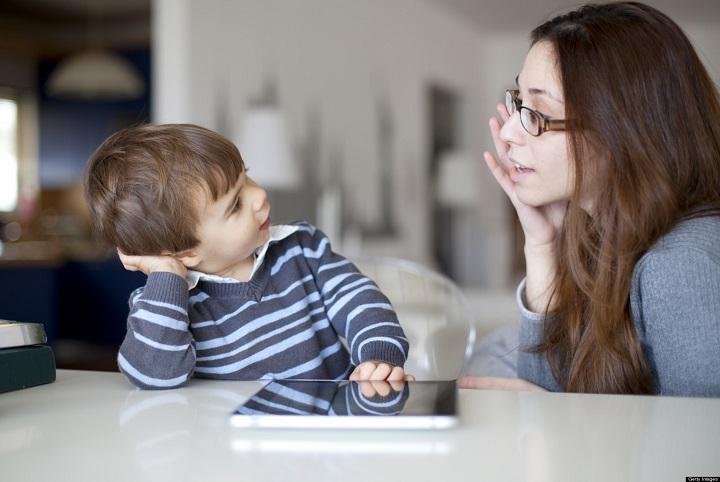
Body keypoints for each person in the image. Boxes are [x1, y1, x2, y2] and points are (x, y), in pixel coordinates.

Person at [462, 2, 720, 396]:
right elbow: (548, 391)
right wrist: (542, 244)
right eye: (519, 103)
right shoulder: (605, 238)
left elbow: (696, 452)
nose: (509, 131)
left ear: (620, 130)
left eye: (538, 113)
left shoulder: (679, 266)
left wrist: (554, 413)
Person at [84, 124, 411, 389]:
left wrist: (377, 356)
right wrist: (167, 275)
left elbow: (359, 299)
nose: (259, 195)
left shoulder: (302, 249)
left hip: (326, 436)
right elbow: (153, 374)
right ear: (186, 251)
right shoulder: (166, 305)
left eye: (246, 176)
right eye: (235, 205)